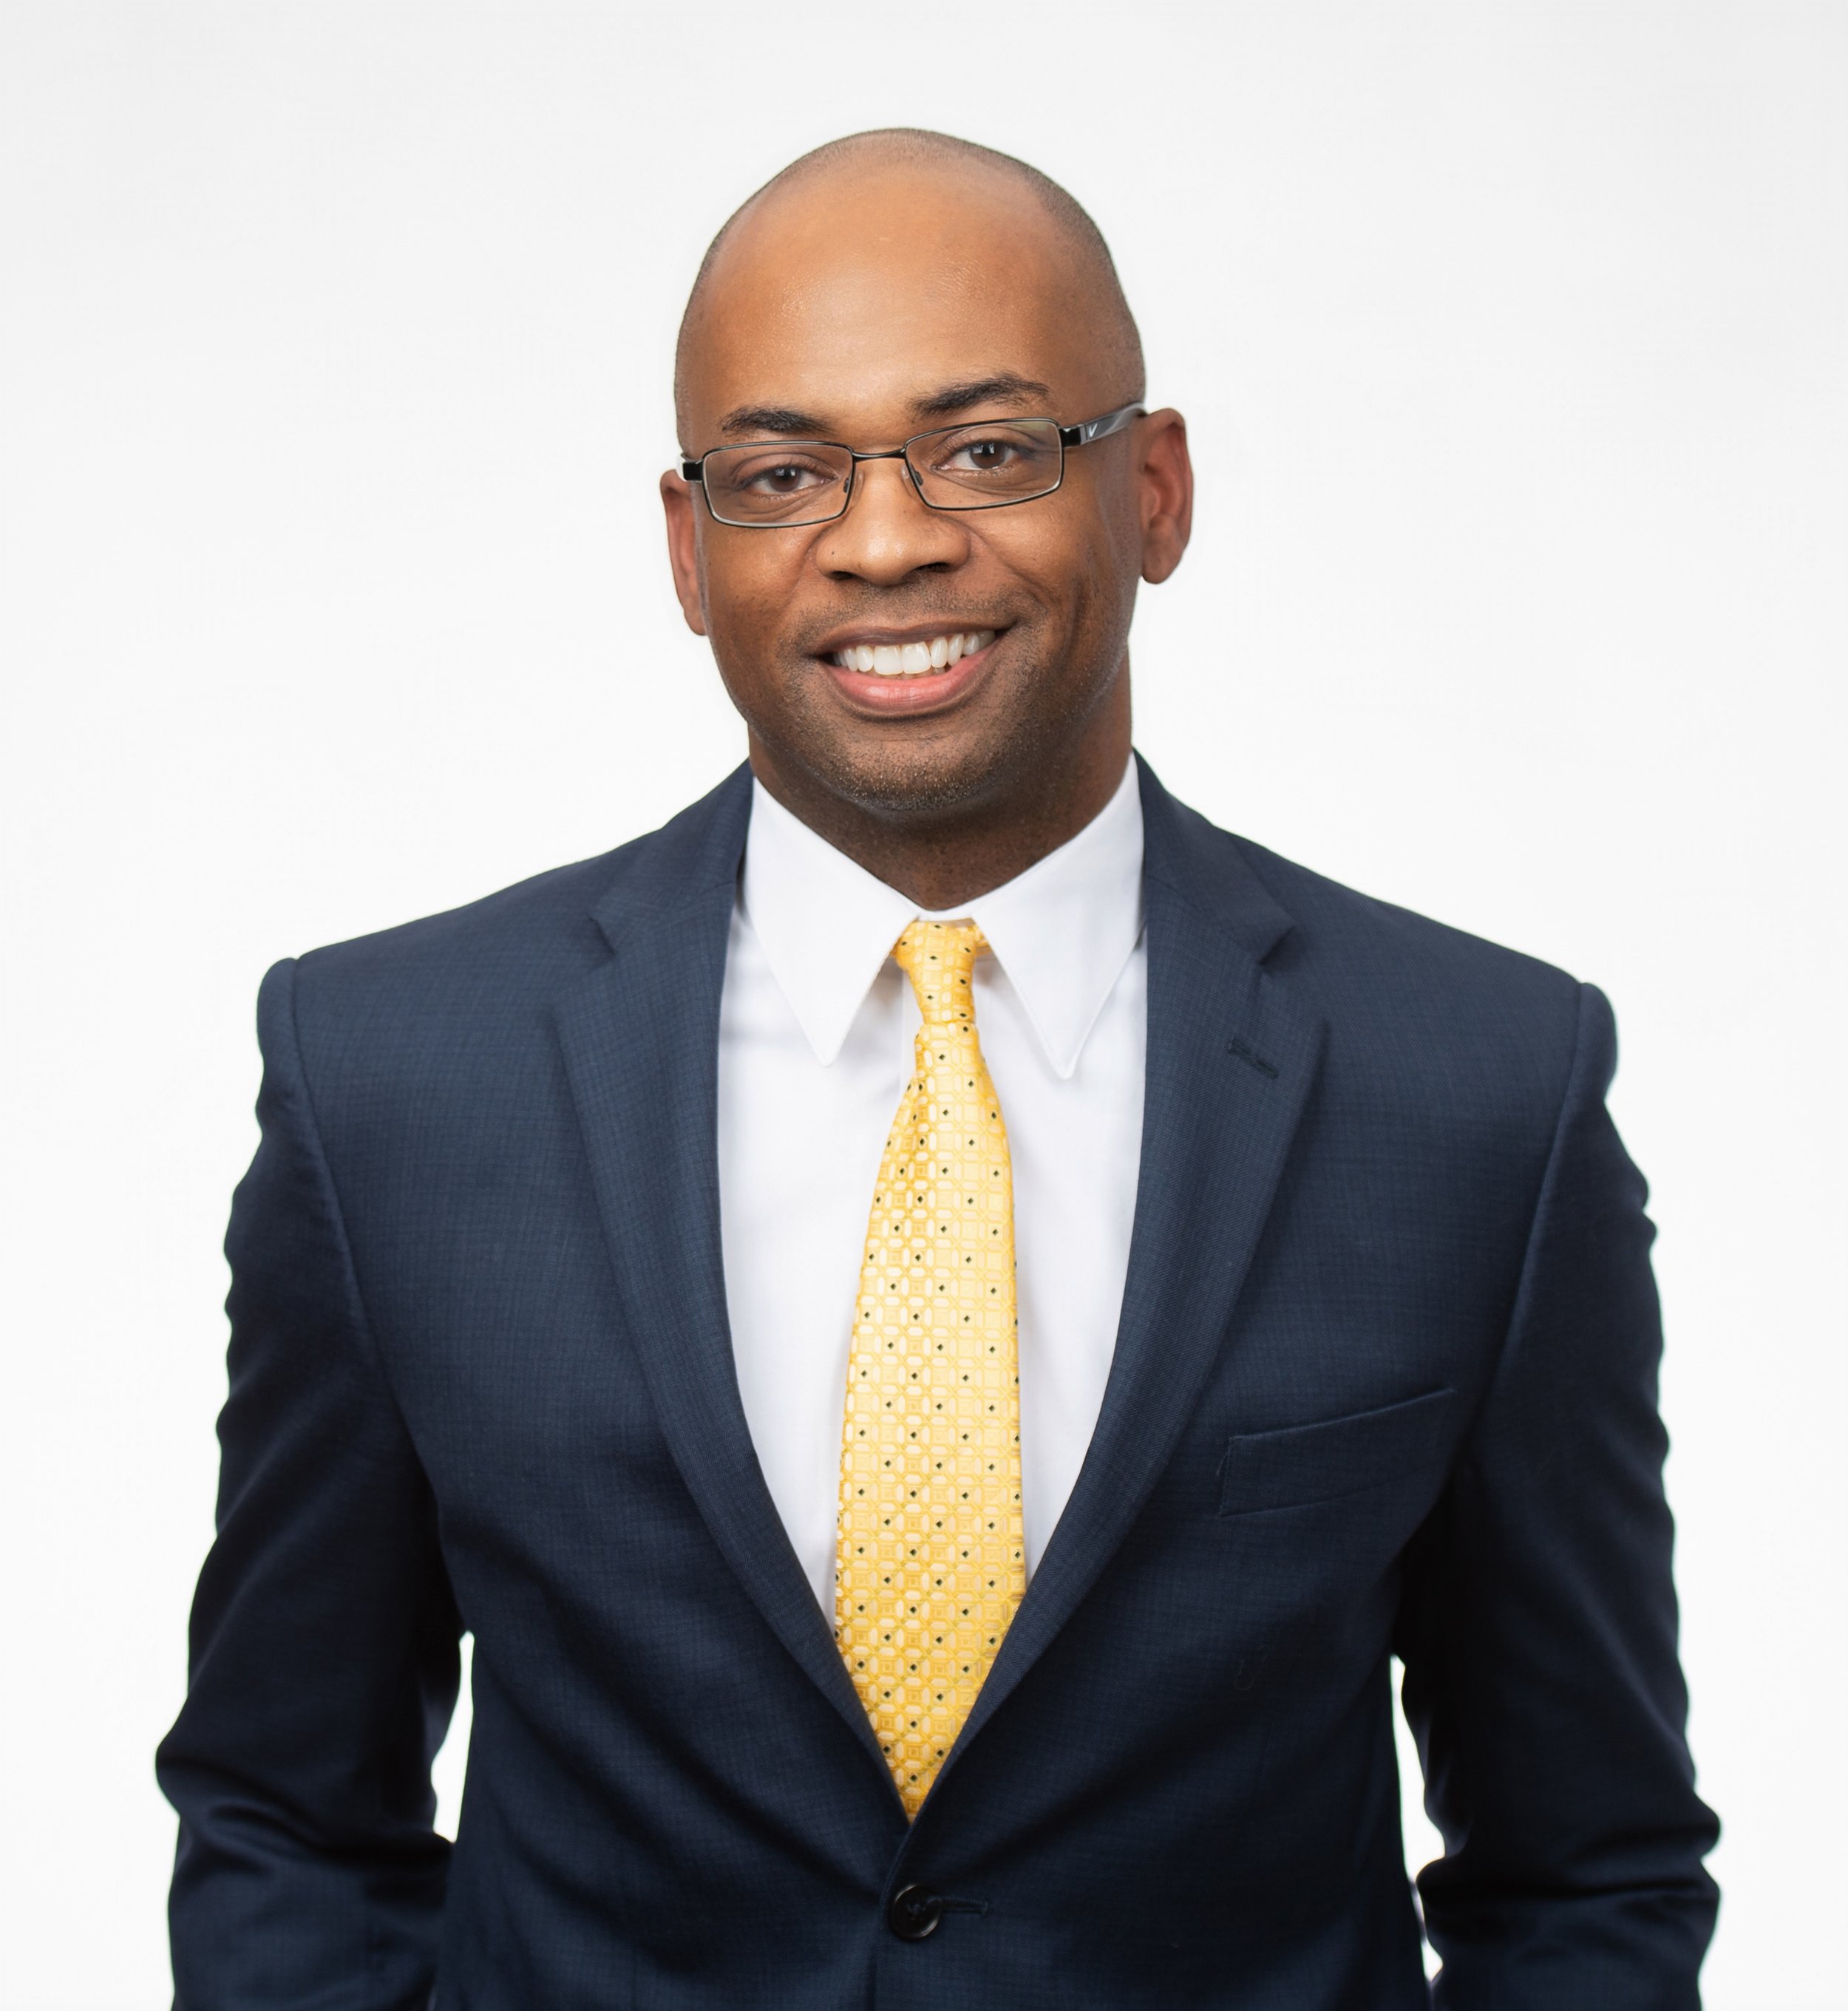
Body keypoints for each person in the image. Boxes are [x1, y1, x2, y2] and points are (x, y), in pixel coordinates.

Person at [157, 129, 1719, 2009]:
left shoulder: (1478, 1092)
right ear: (687, 543)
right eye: (781, 470)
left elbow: (1582, 1869)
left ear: (1151, 489)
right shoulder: (391, 1077)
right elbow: (287, 1820)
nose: (884, 537)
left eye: (987, 449)